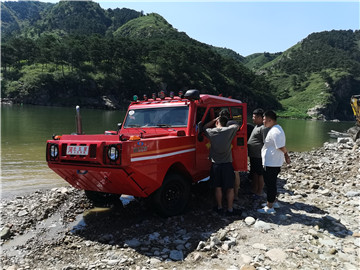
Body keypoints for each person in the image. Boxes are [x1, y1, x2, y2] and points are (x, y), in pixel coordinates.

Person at [202, 115, 241, 216]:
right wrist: (229, 122)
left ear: (217, 122)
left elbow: (204, 127)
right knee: (230, 188)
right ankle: (230, 209)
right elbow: (237, 125)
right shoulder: (229, 130)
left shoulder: (211, 132)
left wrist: (214, 119)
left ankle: (219, 207)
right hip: (227, 164)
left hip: (215, 165)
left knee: (218, 187)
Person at [258, 110, 291, 214]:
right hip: (271, 162)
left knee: (270, 184)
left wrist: (286, 155)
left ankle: (269, 207)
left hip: (272, 163)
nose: (263, 122)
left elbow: (281, 146)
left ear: (270, 120)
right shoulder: (274, 129)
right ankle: (274, 202)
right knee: (271, 183)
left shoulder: (276, 131)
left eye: (264, 120)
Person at [219, 109, 241, 200]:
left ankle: (233, 193)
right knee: (235, 171)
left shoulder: (228, 123)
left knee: (234, 172)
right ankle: (235, 194)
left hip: (229, 149)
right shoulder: (232, 123)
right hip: (232, 149)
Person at [247, 108, 269, 199]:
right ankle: (254, 189)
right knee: (255, 173)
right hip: (253, 155)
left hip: (259, 156)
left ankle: (259, 192)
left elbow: (266, 142)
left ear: (260, 118)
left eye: (254, 117)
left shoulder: (263, 128)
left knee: (260, 174)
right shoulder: (256, 126)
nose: (253, 118)